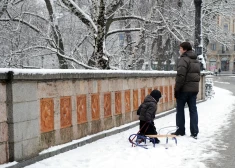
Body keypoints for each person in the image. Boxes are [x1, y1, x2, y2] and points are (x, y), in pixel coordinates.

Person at [172, 42, 200, 139]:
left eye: (180, 48)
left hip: (183, 90)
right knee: (193, 110)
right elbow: (198, 75)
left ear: (184, 49)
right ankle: (194, 132)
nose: (179, 50)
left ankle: (180, 130)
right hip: (193, 90)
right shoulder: (196, 60)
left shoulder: (183, 59)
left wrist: (177, 89)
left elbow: (180, 76)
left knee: (180, 110)